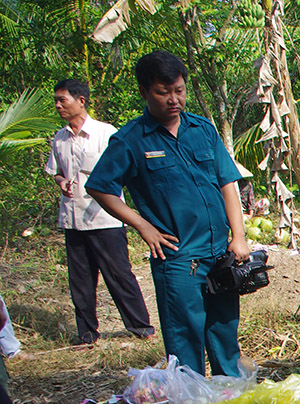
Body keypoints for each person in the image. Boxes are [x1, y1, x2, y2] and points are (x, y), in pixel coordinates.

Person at [87, 50, 249, 376]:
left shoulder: (202, 130)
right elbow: (100, 187)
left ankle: (230, 395)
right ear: (145, 92)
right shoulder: (131, 140)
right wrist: (142, 225)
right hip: (178, 257)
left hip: (220, 254)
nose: (174, 99)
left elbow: (227, 182)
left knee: (223, 330)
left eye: (179, 90)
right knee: (184, 338)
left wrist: (239, 236)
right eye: (164, 92)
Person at [46, 78, 155, 346]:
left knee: (118, 274)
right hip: (73, 218)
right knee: (80, 280)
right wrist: (62, 183)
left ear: (81, 101)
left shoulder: (106, 134)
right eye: (56, 101)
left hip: (105, 218)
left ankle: (141, 327)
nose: (58, 105)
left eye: (63, 100)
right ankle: (86, 334)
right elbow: (57, 172)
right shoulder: (60, 139)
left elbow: (127, 170)